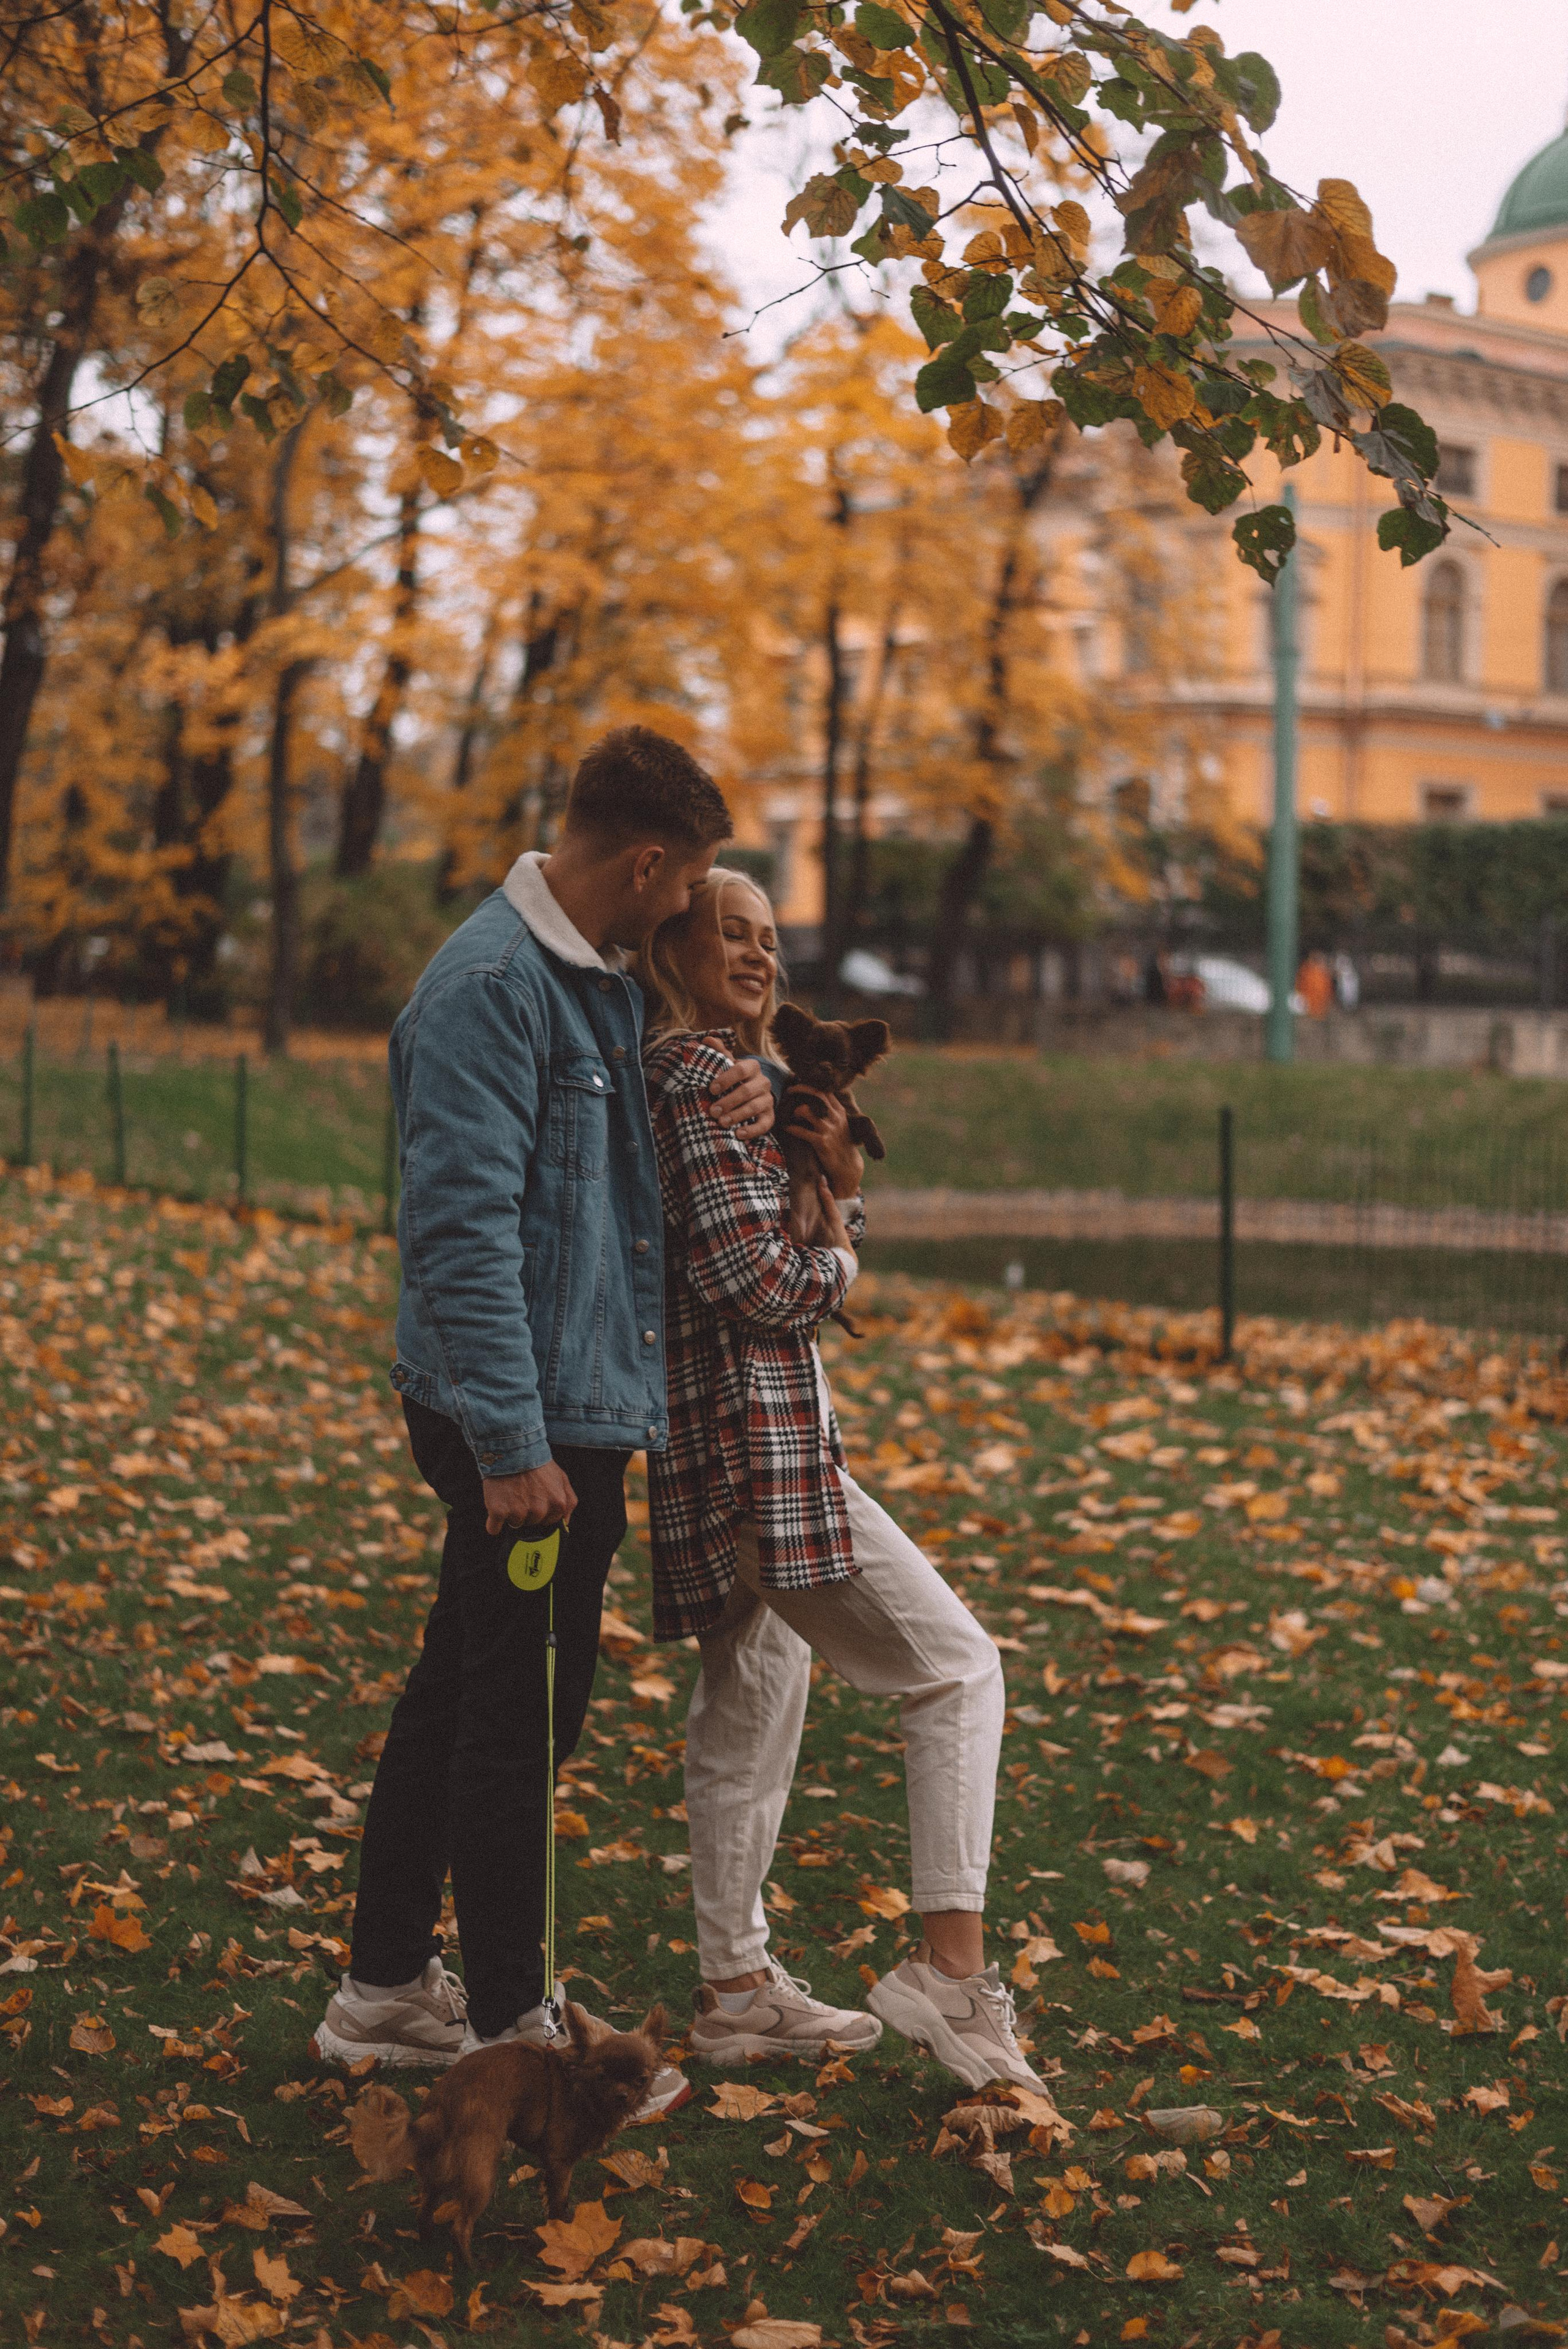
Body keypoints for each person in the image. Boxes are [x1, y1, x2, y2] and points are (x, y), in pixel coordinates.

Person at [312, 730, 775, 2091]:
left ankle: (385, 1988)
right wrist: (511, 1447)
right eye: (687, 882)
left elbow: (644, 1137)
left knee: (461, 1692)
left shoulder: (596, 988)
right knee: (518, 1718)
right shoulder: (491, 989)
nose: (690, 909)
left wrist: (750, 1077)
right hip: (519, 1422)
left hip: (571, 1405)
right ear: (644, 865)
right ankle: (518, 2024)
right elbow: (457, 1233)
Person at [633, 869, 1045, 2092]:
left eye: (769, 938)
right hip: (755, 1465)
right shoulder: (698, 1080)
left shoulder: (741, 1085)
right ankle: (950, 1978)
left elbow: (766, 1259)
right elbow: (759, 1289)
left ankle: (733, 1992)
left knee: (748, 1712)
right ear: (676, 946)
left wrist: (832, 1193)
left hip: (735, 1451)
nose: (757, 955)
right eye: (729, 933)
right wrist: (841, 1248)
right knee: (957, 1666)